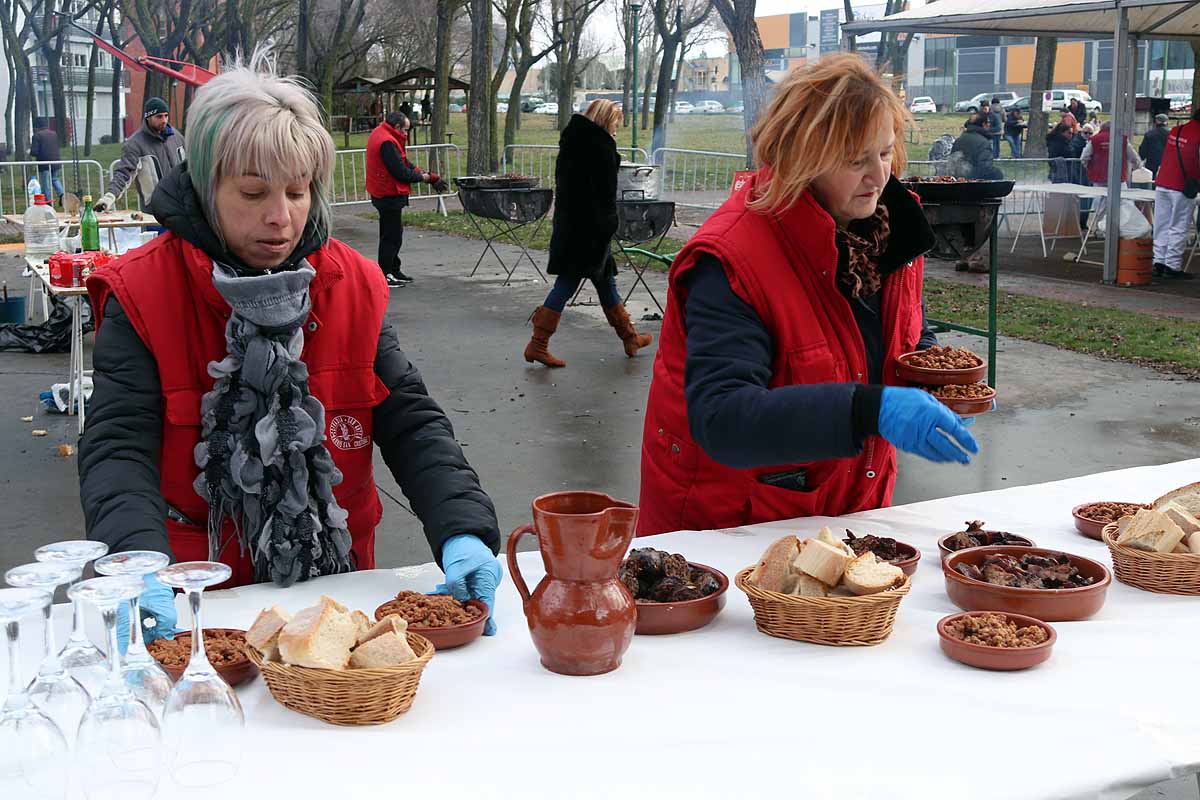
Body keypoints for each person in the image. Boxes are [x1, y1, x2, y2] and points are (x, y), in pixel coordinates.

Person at [78, 53, 504, 646]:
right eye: (253, 193)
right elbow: (117, 446)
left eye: (298, 192)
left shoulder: (353, 283)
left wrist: (464, 531)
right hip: (197, 599)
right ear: (206, 186)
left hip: (332, 591)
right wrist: (135, 564)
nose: (281, 218)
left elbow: (409, 419)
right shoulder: (143, 291)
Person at [636, 55, 977, 537]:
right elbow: (723, 418)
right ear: (802, 156)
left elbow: (889, 336)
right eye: (855, 160)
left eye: (884, 153)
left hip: (849, 510)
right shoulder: (732, 257)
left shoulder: (888, 230)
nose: (878, 176)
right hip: (729, 529)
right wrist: (871, 410)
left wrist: (931, 374)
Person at [523, 99, 653, 368]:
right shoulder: (601, 149)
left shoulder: (573, 142)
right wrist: (609, 225)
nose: (617, 129)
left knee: (606, 281)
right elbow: (604, 197)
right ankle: (538, 344)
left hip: (573, 226)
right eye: (616, 123)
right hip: (590, 231)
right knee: (567, 284)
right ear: (606, 121)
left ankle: (630, 337)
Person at [365, 111, 446, 287]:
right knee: (391, 236)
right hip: (388, 194)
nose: (407, 134)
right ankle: (385, 273)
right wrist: (427, 178)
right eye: (406, 130)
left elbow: (403, 163)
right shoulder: (387, 142)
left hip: (385, 192)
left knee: (394, 234)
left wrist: (423, 173)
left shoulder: (384, 134)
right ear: (397, 127)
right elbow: (400, 172)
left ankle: (394, 269)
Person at [94, 97, 186, 213]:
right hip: (156, 212)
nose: (164, 120)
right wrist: (109, 197)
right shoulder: (135, 144)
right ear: (148, 117)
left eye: (166, 115)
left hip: (183, 209)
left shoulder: (177, 137)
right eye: (159, 116)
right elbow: (124, 173)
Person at [1151, 109, 1200, 280]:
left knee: (1161, 224)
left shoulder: (1175, 130)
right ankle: (1172, 265)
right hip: (1183, 186)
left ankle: (1158, 262)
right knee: (1178, 226)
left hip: (1163, 182)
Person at [1081, 120, 1143, 186]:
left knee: (1098, 195)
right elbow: (1134, 157)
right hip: (1119, 179)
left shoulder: (1094, 140)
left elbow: (1084, 157)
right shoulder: (1123, 140)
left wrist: (1089, 168)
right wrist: (1137, 166)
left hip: (1099, 179)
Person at [950, 113, 1003, 180]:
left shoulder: (959, 139)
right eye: (988, 122)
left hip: (957, 179)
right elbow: (984, 168)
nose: (989, 125)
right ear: (984, 124)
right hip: (974, 183)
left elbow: (952, 162)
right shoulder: (983, 142)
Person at [31, 117, 65, 207]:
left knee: (45, 183)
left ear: (36, 127)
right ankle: (62, 195)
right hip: (56, 162)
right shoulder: (53, 134)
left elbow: (34, 152)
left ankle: (48, 202)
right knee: (55, 179)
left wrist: (29, 152)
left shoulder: (37, 135)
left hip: (44, 163)